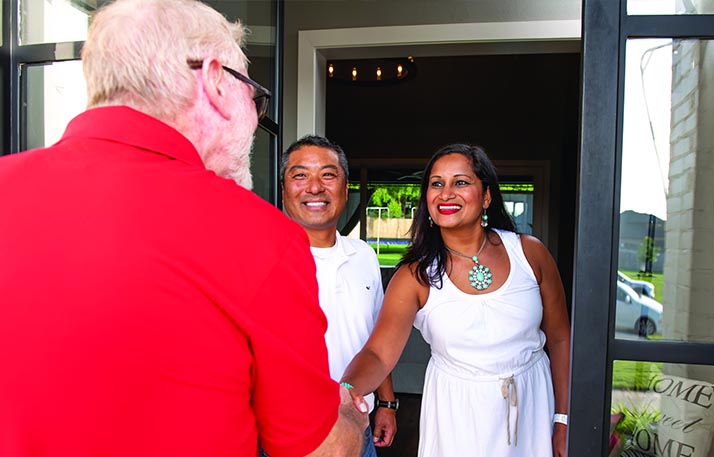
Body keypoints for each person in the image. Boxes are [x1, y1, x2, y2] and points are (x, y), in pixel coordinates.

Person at [0, 1, 367, 456]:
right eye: (253, 96)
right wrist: (349, 415)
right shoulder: (256, 235)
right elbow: (318, 451)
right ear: (215, 80)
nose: (254, 117)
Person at [341, 143, 571, 456]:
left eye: (460, 182)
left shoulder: (530, 253)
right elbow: (379, 354)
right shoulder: (415, 276)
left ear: (486, 196)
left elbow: (559, 340)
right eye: (437, 184)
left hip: (531, 404)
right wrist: (347, 391)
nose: (446, 193)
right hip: (458, 415)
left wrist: (563, 418)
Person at [281, 135, 398, 456]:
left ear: (345, 190)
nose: (315, 187)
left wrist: (386, 402)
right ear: (284, 190)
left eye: (328, 175)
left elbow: (378, 338)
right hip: (287, 434)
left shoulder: (363, 255)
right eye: (300, 175)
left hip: (357, 422)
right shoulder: (263, 256)